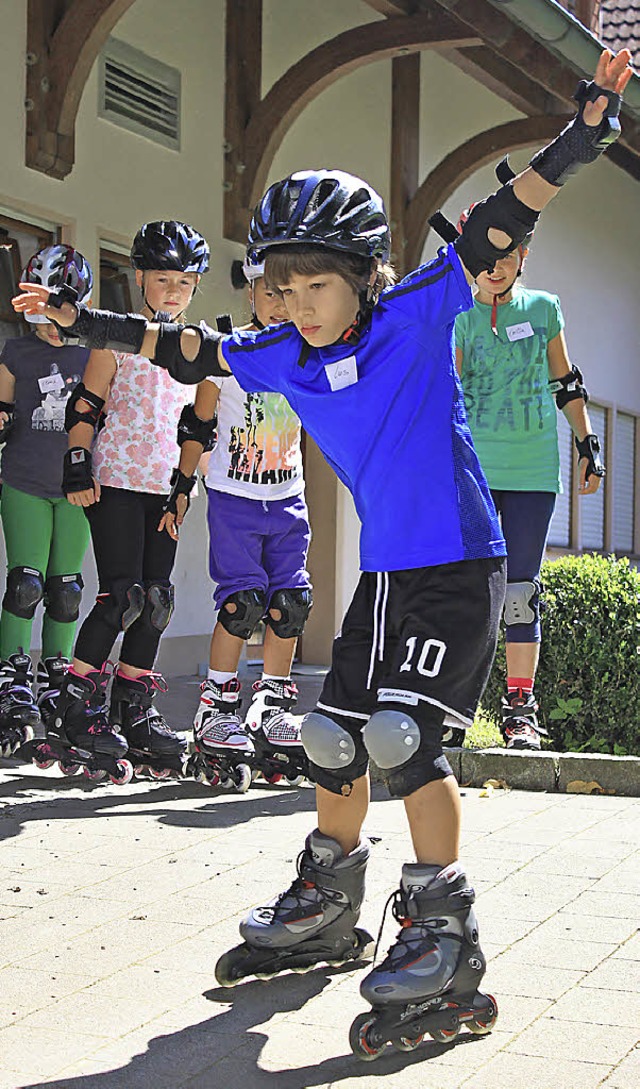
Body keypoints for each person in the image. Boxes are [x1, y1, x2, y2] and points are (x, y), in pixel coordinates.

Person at [14, 47, 632, 1059]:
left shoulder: (416, 313)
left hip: (457, 564)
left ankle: (442, 932)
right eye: (277, 285)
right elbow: (180, 348)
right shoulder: (274, 354)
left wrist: (580, 137)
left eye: (312, 285)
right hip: (386, 575)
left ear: (360, 281)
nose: (290, 302)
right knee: (331, 735)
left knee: (403, 739)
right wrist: (85, 321)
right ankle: (327, 898)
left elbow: (497, 221)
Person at [28, 222, 211, 783]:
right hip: (113, 482)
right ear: (139, 280)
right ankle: (75, 706)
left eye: (185, 281)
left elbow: (198, 425)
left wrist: (184, 488)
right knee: (121, 597)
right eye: (163, 279)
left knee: (157, 600)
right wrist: (77, 463)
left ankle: (132, 711)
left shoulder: (198, 348)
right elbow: (86, 405)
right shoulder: (119, 337)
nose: (174, 290)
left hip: (161, 487)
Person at [455, 178, 604, 750]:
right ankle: (457, 702)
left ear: (523, 254)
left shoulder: (543, 310)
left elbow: (565, 381)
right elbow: (450, 394)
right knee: (468, 588)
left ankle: (519, 708)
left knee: (520, 591)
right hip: (473, 474)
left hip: (533, 474)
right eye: (485, 257)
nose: (495, 267)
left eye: (506, 254)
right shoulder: (462, 318)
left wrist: (588, 443)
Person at [160, 256, 312, 792]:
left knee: (289, 605)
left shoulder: (306, 351)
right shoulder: (224, 353)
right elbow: (198, 425)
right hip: (235, 496)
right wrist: (181, 490)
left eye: (287, 293)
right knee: (242, 604)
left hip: (288, 495)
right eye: (269, 292)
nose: (278, 303)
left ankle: (271, 702)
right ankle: (217, 702)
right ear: (250, 293)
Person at [0, 244, 93, 758]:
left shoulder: (94, 354)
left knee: (66, 590)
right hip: (24, 479)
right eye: (39, 313)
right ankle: (11, 669)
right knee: (25, 583)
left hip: (77, 486)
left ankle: (57, 669)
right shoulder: (15, 352)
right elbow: (2, 410)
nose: (49, 325)